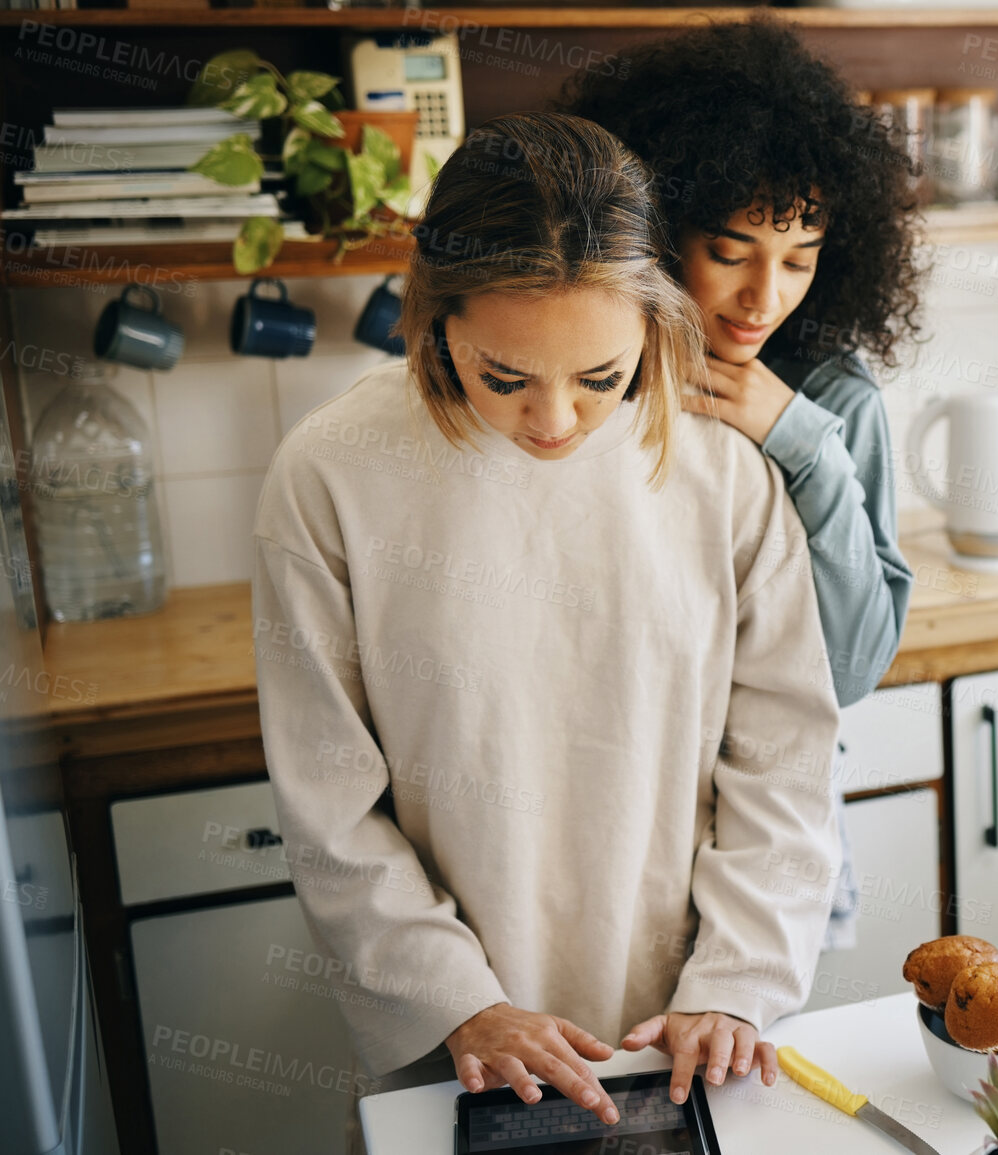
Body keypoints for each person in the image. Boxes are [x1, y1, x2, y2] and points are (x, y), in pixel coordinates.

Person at [250, 112, 842, 1143]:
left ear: (653, 322)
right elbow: (327, 794)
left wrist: (737, 978)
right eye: (505, 378)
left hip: (689, 1026)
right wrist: (457, 1000)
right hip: (460, 1043)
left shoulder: (720, 474)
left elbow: (785, 755)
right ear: (436, 317)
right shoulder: (330, 474)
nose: (557, 423)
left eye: (602, 380)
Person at [560, 18, 921, 949]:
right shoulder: (579, 377)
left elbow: (847, 670)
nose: (765, 295)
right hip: (603, 811)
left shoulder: (834, 398)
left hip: (767, 818)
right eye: (730, 251)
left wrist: (801, 441)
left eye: (798, 259)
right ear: (650, 224)